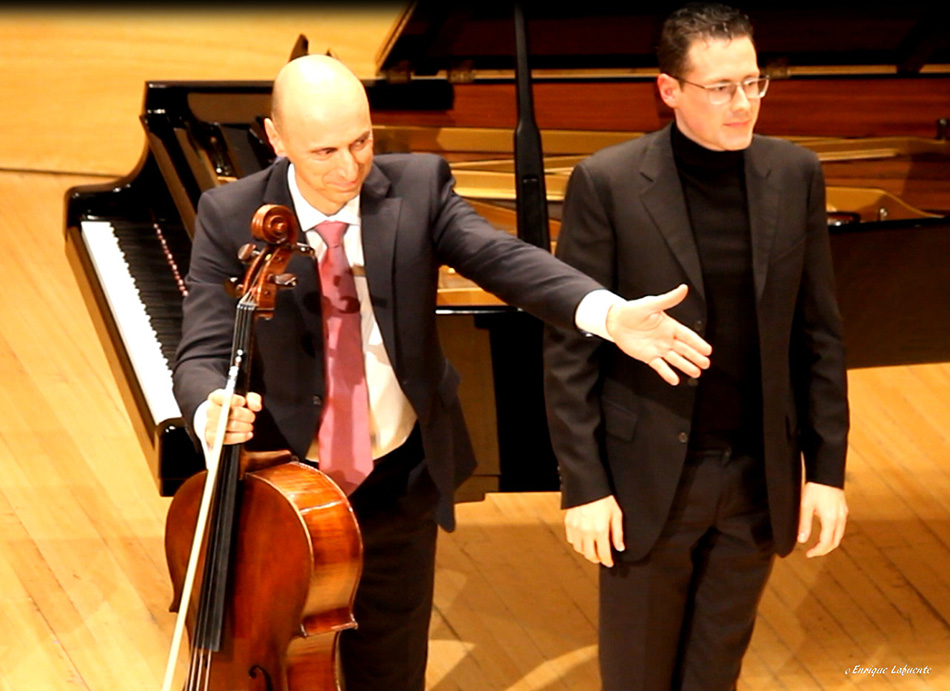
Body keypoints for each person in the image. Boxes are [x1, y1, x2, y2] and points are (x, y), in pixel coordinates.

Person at [172, 54, 712, 691]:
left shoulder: (418, 186)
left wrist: (608, 314)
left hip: (397, 478)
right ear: (276, 138)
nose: (348, 169)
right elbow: (201, 353)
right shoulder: (231, 215)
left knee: (393, 667)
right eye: (324, 152)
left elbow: (504, 259)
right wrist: (209, 408)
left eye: (361, 142)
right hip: (281, 489)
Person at [543, 3, 850, 689]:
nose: (743, 104)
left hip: (757, 479)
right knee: (638, 675)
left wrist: (827, 471)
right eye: (721, 88)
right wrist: (584, 486)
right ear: (669, 89)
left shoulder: (795, 172)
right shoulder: (608, 182)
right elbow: (569, 351)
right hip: (648, 481)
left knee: (716, 674)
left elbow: (819, 335)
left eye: (754, 82)